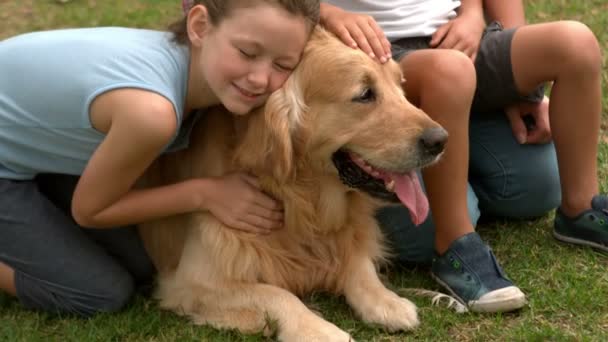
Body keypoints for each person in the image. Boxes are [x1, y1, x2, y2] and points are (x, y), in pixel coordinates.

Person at [0, 0, 320, 317]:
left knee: (141, 261)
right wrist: (206, 193)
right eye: (247, 53)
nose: (260, 79)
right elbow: (90, 211)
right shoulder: (152, 113)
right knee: (99, 292)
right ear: (199, 27)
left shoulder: (196, 71)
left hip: (31, 157)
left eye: (282, 65)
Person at [320, 0, 605, 313]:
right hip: (377, 54)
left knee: (575, 43)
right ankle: (454, 242)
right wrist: (328, 14)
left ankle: (580, 208)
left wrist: (471, 14)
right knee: (451, 72)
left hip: (456, 35)